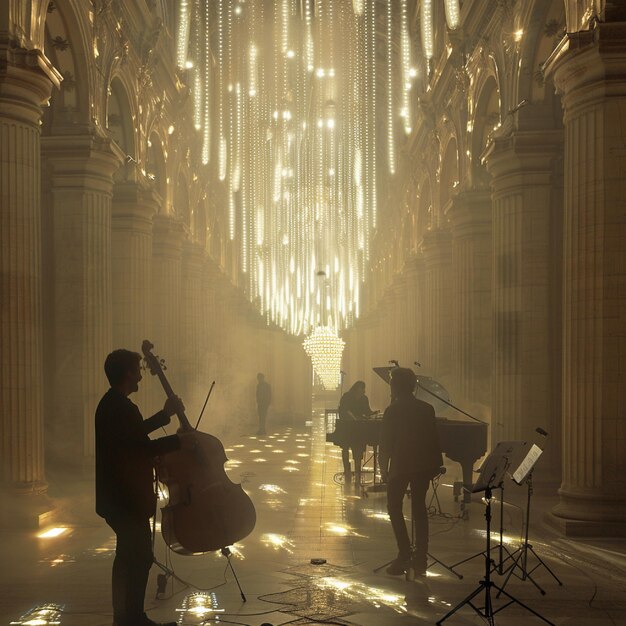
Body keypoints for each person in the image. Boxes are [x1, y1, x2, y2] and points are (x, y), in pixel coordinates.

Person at [95, 349, 192, 626]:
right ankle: (131, 619)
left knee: (130, 557)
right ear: (128, 373)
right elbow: (140, 448)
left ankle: (127, 618)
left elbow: (133, 435)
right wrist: (177, 442)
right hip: (125, 499)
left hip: (119, 498)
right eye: (138, 370)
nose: (141, 375)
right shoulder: (120, 407)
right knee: (136, 558)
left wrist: (164, 416)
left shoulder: (114, 404)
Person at [379, 367, 443, 576]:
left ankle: (404, 554)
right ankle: (421, 559)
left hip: (400, 466)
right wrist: (434, 466)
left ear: (395, 387)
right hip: (422, 466)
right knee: (419, 510)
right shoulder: (427, 408)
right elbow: (434, 439)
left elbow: (386, 443)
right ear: (414, 386)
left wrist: (383, 468)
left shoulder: (393, 410)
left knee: (394, 508)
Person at [337, 380, 376, 481]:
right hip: (346, 426)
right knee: (345, 447)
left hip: (358, 428)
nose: (364, 391)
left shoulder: (364, 399)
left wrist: (374, 413)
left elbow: (367, 411)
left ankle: (358, 469)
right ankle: (347, 469)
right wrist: (352, 417)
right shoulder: (346, 396)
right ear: (356, 388)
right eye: (362, 388)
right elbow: (343, 411)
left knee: (358, 448)